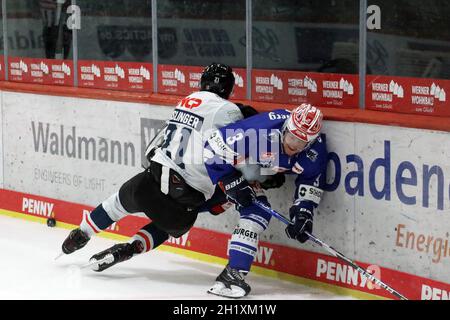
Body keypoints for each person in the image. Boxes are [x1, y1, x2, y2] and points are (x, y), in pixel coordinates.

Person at [60, 63, 253, 271]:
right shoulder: (230, 111)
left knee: (116, 203)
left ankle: (82, 233)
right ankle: (131, 248)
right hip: (187, 198)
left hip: (153, 179)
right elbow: (238, 145)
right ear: (229, 88)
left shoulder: (186, 100)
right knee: (167, 224)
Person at [203, 103, 328, 298]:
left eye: (301, 142)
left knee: (257, 212)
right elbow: (211, 147)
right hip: (214, 168)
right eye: (292, 136)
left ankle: (232, 274)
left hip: (250, 171)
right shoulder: (261, 129)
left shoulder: (315, 150)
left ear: (310, 142)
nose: (293, 145)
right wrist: (230, 181)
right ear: (285, 127)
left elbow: (311, 182)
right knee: (190, 210)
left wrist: (303, 213)